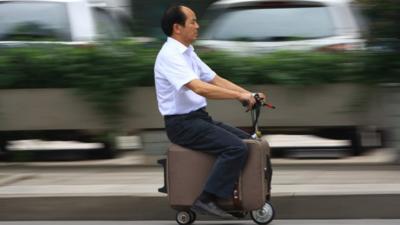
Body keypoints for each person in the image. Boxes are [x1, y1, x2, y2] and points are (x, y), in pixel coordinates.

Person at [154, 5, 267, 218]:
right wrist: (238, 97)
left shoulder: (188, 52)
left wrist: (248, 94)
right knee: (235, 148)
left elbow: (214, 79)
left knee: (248, 143)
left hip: (198, 119)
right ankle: (206, 199)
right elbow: (199, 87)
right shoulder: (170, 55)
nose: (198, 26)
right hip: (182, 125)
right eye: (193, 21)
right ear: (177, 28)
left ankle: (233, 198)